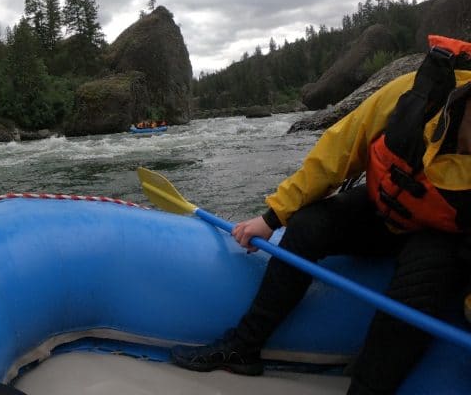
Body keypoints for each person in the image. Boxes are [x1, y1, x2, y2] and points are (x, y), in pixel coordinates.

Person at [171, 35, 471, 394]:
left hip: (443, 236)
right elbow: (337, 151)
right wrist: (272, 218)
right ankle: (243, 347)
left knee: (420, 286)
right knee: (307, 226)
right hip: (382, 211)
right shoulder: (411, 95)